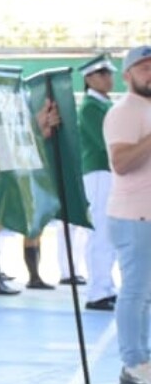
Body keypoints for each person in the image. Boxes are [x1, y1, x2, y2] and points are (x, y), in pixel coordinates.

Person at [104, 44, 151, 384]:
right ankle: (133, 364)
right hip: (134, 217)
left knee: (145, 294)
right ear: (128, 74)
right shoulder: (124, 112)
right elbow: (121, 163)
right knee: (134, 292)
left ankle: (143, 358)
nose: (150, 72)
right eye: (143, 67)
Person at [79, 55, 120, 310]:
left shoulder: (104, 105)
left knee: (110, 233)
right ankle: (97, 291)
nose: (108, 78)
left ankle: (105, 286)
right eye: (102, 74)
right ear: (89, 79)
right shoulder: (91, 108)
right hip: (99, 172)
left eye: (108, 74)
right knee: (101, 232)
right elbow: (106, 143)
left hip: (109, 173)